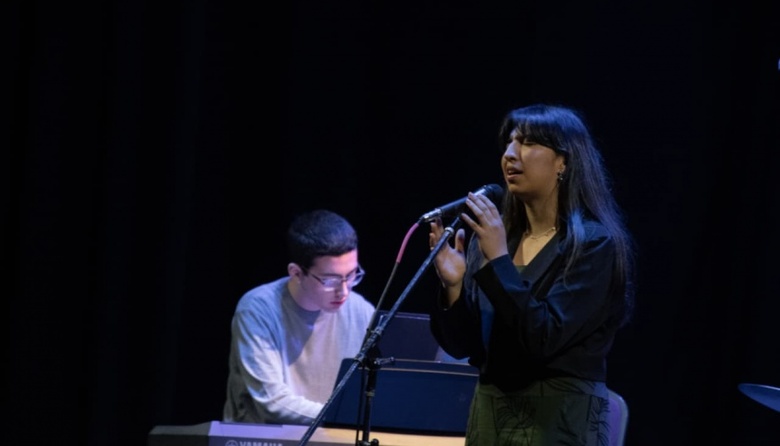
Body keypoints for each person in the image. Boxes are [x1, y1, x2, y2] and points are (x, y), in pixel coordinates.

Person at [427, 103, 636, 445]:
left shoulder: (593, 245)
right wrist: (453, 287)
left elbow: (542, 338)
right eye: (509, 143)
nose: (510, 154)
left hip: (558, 419)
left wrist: (499, 262)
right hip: (490, 414)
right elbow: (463, 347)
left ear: (563, 162)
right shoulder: (495, 240)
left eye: (527, 143)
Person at [223, 209, 376, 425]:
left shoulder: (361, 312)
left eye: (351, 275)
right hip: (265, 436)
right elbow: (273, 403)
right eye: (330, 280)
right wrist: (342, 416)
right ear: (296, 273)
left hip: (332, 436)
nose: (343, 291)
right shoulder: (258, 310)